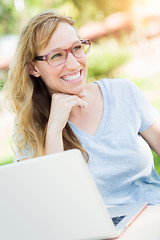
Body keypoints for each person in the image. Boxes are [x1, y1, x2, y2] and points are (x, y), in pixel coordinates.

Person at [5, 10, 160, 205]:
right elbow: (49, 205)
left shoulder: (123, 92)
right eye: (56, 56)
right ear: (33, 68)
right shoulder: (28, 125)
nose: (72, 64)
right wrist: (54, 129)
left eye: (76, 48)